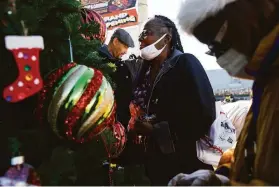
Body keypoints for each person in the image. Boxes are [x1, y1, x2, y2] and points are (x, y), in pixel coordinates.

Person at [169, 0, 279, 185]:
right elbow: (258, 160)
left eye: (217, 43)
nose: (220, 57)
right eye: (212, 49)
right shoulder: (267, 82)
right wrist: (223, 175)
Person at [129, 15, 216, 185]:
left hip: (185, 163)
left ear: (167, 38)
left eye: (147, 33)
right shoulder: (143, 70)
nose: (141, 39)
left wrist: (157, 130)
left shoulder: (185, 63)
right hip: (153, 161)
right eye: (140, 35)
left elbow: (203, 113)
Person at [98, 28, 135, 128]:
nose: (126, 52)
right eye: (125, 47)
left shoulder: (117, 63)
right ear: (115, 41)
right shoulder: (98, 59)